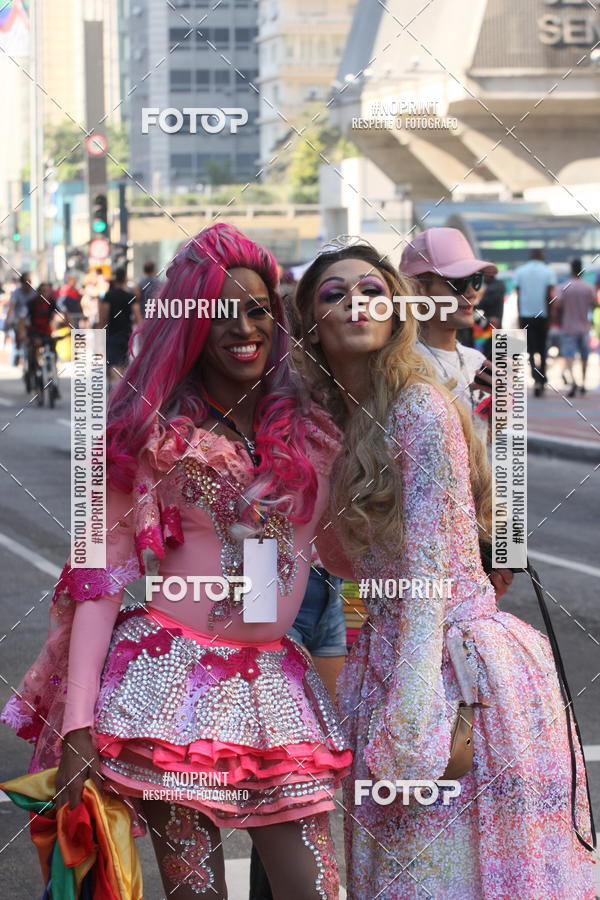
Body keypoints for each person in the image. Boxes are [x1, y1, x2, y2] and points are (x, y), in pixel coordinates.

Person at [1, 223, 351, 900]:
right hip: (168, 692)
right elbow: (98, 584)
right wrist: (76, 726)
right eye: (220, 313)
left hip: (278, 689)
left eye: (257, 310)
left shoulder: (311, 427)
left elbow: (350, 547)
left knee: (317, 891)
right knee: (199, 895)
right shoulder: (151, 435)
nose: (243, 328)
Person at [294, 240, 595, 899]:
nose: (463, 297)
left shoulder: (457, 383)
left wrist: (412, 722)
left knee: (450, 877)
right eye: (335, 295)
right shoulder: (343, 414)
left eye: (471, 284)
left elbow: (439, 562)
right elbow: (345, 561)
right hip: (388, 655)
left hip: (448, 668)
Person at [399, 227, 495, 444]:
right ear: (417, 288)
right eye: (458, 283)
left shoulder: (477, 362)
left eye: (476, 280)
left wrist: (496, 417)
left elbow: (480, 450)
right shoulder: (397, 365)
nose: (472, 292)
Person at [514, 249, 556, 396]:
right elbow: (549, 296)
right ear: (542, 256)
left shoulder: (521, 271)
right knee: (543, 348)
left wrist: (519, 316)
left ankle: (536, 378)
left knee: (531, 349)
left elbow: (518, 295)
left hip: (526, 315)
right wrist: (549, 316)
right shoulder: (548, 271)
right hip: (542, 315)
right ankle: (542, 378)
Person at [556, 258, 596, 397]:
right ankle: (583, 383)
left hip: (568, 326)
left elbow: (557, 305)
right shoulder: (588, 287)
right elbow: (594, 304)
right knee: (584, 355)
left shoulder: (564, 286)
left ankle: (573, 382)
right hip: (584, 326)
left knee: (569, 355)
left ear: (571, 269)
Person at [98, 266, 140, 384]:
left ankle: (115, 389)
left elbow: (104, 316)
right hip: (126, 334)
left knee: (113, 363)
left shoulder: (109, 296)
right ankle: (121, 389)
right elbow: (138, 318)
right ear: (125, 279)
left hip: (112, 333)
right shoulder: (130, 297)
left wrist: (100, 330)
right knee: (124, 363)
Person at [6, 272, 36, 365]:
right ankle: (16, 359)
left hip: (31, 320)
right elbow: (11, 306)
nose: (29, 285)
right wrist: (9, 319)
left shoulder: (34, 293)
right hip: (18, 320)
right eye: (27, 283)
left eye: (30, 282)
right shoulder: (16, 293)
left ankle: (33, 360)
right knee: (17, 339)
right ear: (22, 283)